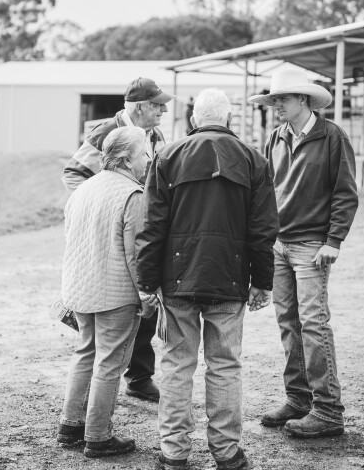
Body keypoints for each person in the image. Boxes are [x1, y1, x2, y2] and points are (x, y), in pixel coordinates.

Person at [135, 88, 279, 470]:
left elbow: (151, 227)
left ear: (194, 119)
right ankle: (227, 453)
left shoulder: (167, 157)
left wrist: (146, 283)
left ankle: (173, 452)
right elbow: (264, 229)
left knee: (176, 365)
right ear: (228, 119)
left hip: (177, 279)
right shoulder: (255, 160)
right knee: (225, 365)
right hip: (230, 278)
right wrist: (263, 281)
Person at [249, 69, 358, 439]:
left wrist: (334, 240)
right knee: (288, 322)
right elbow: (267, 190)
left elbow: (345, 192)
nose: (276, 105)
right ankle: (298, 400)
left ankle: (328, 410)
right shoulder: (275, 138)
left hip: (313, 246)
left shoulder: (332, 137)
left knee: (313, 323)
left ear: (303, 99)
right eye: (274, 99)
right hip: (279, 244)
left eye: (282, 98)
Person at [62, 76, 173, 403]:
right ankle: (107, 389)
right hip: (113, 228)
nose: (164, 111)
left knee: (145, 302)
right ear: (139, 107)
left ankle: (139, 376)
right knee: (117, 302)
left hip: (144, 224)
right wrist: (103, 204)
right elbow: (73, 173)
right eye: (157, 105)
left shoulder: (156, 135)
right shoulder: (106, 132)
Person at [57, 126, 153, 458]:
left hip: (80, 289)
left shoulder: (82, 190)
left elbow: (71, 240)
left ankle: (70, 425)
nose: (148, 159)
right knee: (110, 363)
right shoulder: (133, 195)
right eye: (143, 153)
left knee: (85, 352)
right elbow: (135, 255)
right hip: (115, 295)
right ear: (126, 159)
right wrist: (146, 295)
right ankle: (98, 436)